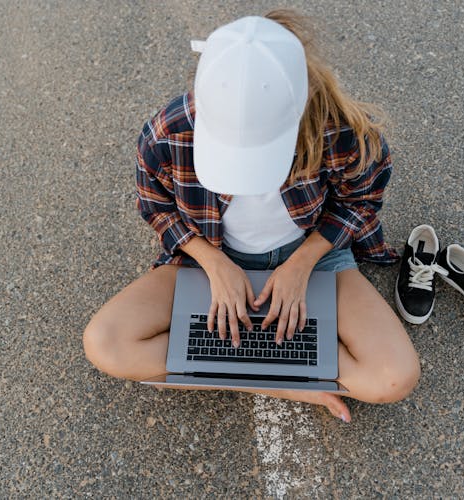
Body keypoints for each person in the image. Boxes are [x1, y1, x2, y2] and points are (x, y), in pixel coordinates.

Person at [83, 9, 420, 423]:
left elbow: (361, 202)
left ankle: (197, 368)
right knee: (105, 343)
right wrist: (213, 264)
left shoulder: (342, 131)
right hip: (207, 257)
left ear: (302, 106)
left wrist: (301, 265)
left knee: (394, 377)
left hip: (315, 257)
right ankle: (296, 384)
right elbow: (156, 207)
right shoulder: (167, 131)